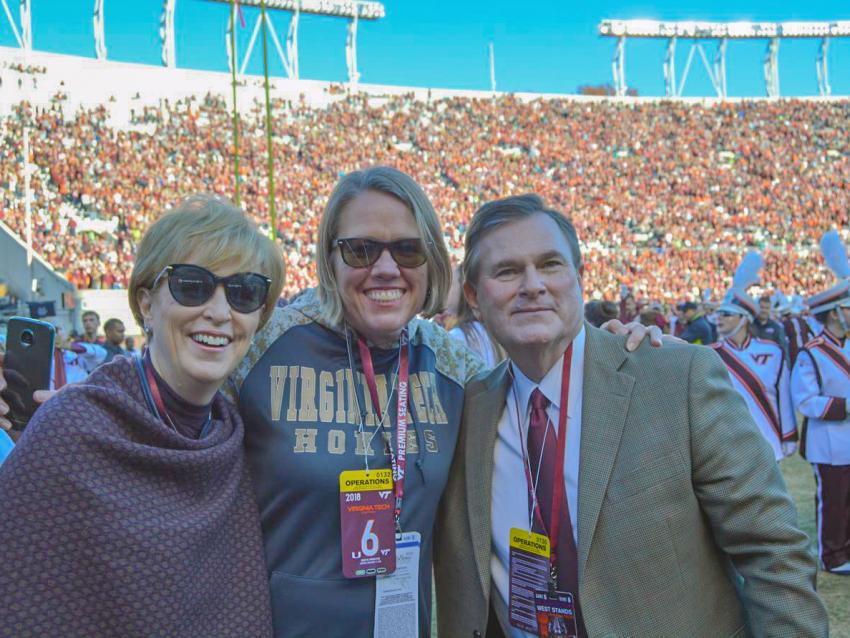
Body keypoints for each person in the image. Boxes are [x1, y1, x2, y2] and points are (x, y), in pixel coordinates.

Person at [223, 167, 661, 637]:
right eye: (361, 249)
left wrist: (613, 348)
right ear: (330, 257)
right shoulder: (261, 347)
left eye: (407, 250)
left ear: (431, 261)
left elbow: (543, 380)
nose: (386, 268)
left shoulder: (451, 363)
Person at [435, 194, 828, 638]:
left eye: (550, 265)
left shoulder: (676, 379)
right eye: (507, 271)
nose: (533, 285)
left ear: (579, 279)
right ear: (473, 294)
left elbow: (772, 550)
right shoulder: (466, 411)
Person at [0, 194, 283, 636]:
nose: (220, 311)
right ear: (146, 303)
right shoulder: (72, 430)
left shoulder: (238, 437)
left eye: (245, 292)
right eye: (193, 284)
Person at [791, 230, 850, 575]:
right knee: (833, 501)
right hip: (828, 442)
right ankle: (833, 556)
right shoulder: (811, 353)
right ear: (834, 313)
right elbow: (807, 401)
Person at [711, 253, 796, 461]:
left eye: (727, 314)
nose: (719, 318)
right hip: (727, 442)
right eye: (719, 313)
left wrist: (789, 435)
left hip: (767, 437)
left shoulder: (773, 351)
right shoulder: (710, 353)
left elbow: (784, 396)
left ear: (744, 319)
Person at [449, 275, 506, 368]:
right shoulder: (493, 330)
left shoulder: (457, 337)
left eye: (451, 285)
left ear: (464, 291)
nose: (446, 290)